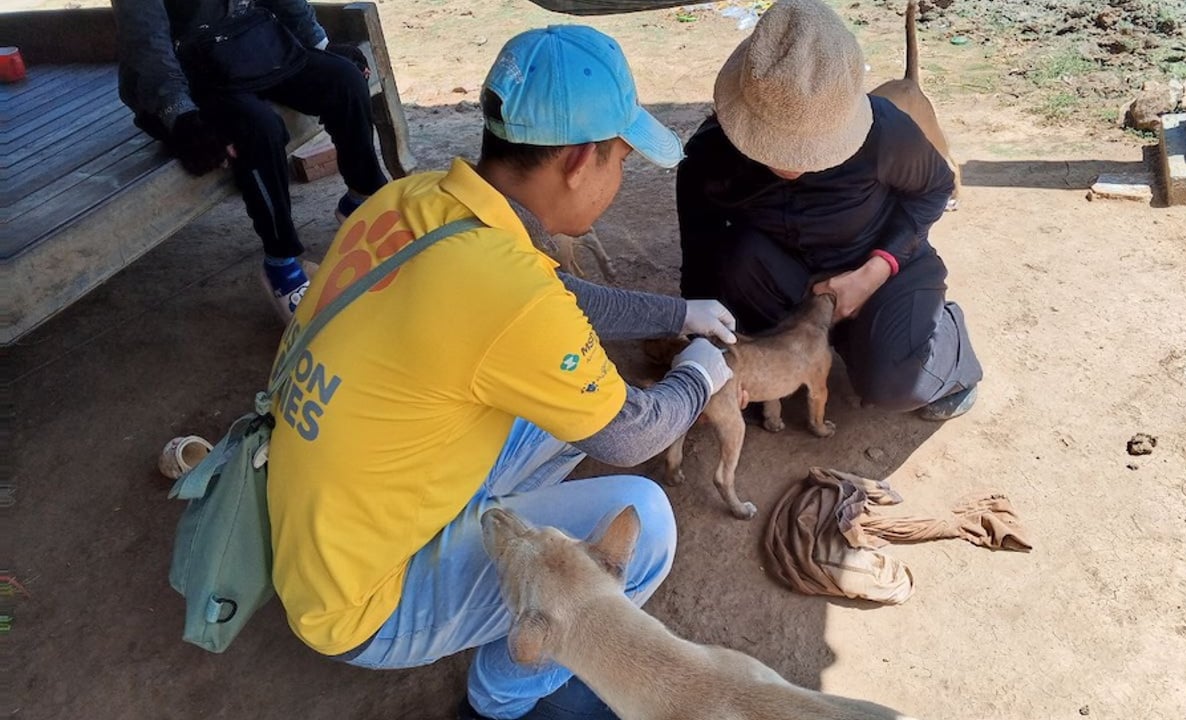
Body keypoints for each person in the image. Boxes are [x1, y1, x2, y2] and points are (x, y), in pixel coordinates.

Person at [265, 25, 738, 720]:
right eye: (621, 161)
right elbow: (627, 438)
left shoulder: (417, 200)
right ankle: (503, 699)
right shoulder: (506, 293)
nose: (618, 179)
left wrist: (678, 314)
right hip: (362, 599)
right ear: (581, 161)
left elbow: (557, 301)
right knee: (647, 522)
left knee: (560, 393)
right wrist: (701, 374)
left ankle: (471, 541)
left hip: (326, 525)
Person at [677, 0, 982, 420]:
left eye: (811, 145)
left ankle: (943, 340)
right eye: (775, 143)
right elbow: (697, 261)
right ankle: (807, 342)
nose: (793, 161)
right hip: (780, 275)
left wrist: (875, 271)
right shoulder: (708, 157)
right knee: (733, 260)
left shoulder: (886, 132)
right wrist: (709, 349)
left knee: (895, 385)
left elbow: (934, 189)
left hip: (876, 265)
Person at [112, 0, 389, 318]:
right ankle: (281, 263)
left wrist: (321, 45)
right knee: (259, 128)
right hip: (182, 75)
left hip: (244, 46)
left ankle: (361, 198)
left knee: (345, 80)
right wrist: (182, 117)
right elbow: (147, 44)